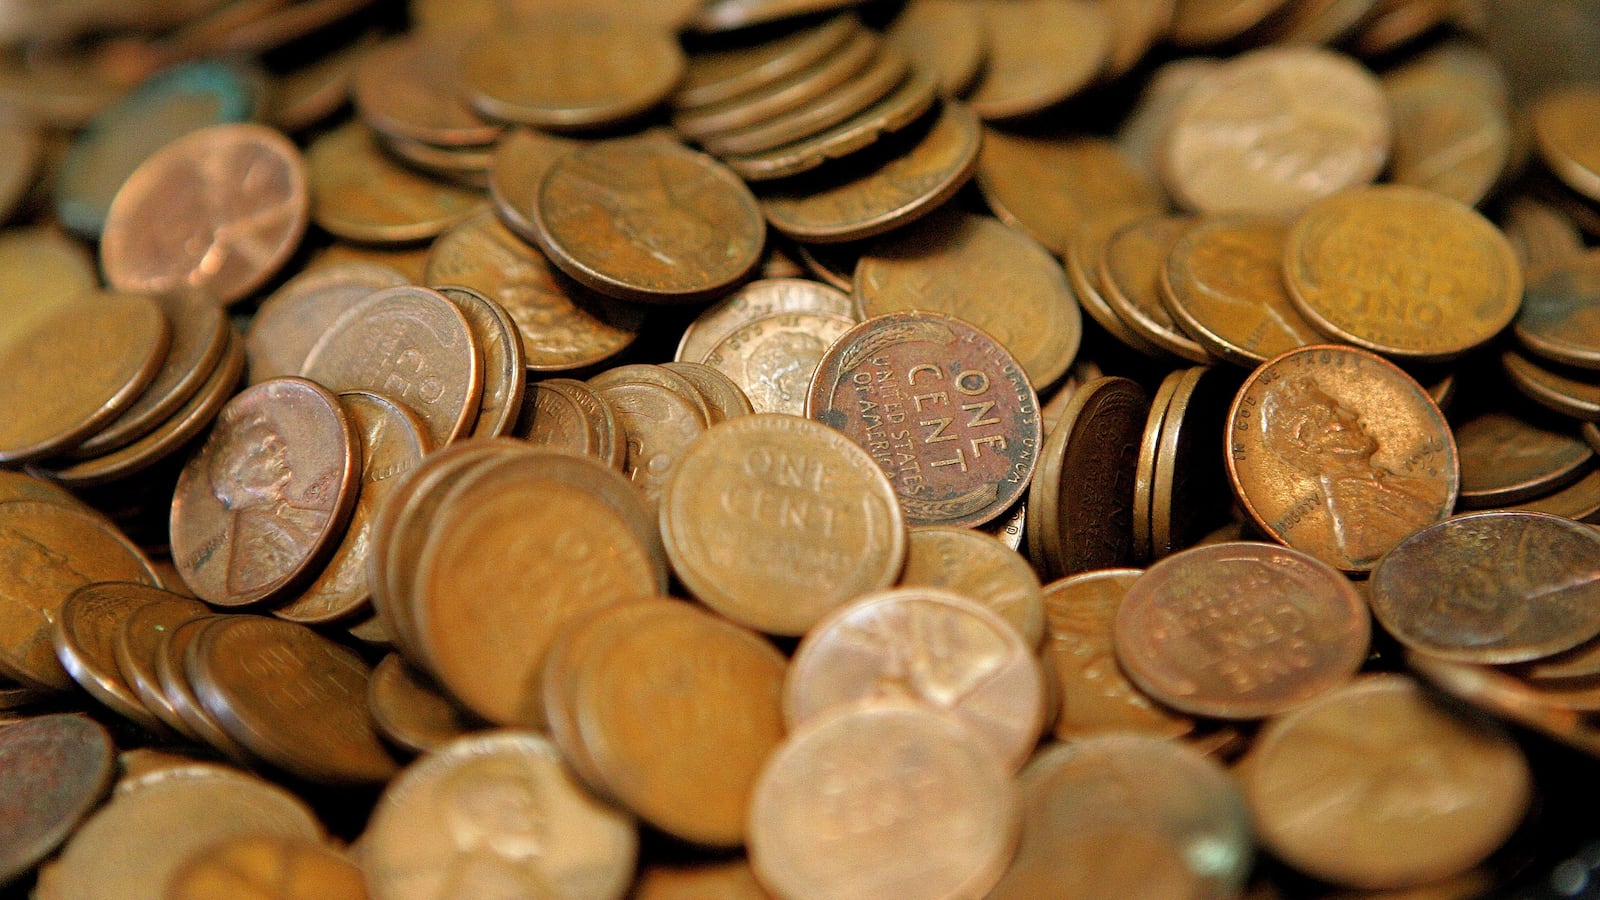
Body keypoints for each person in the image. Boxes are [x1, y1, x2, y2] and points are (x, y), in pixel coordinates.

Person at [1262, 376, 1447, 568]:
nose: (1352, 415)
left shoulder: (1394, 483)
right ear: (1308, 438)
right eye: (1334, 412)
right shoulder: (1362, 534)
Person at [207, 412, 333, 596]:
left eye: (276, 443)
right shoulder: (251, 560)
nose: (281, 448)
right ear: (237, 475)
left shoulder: (303, 515)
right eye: (265, 448)